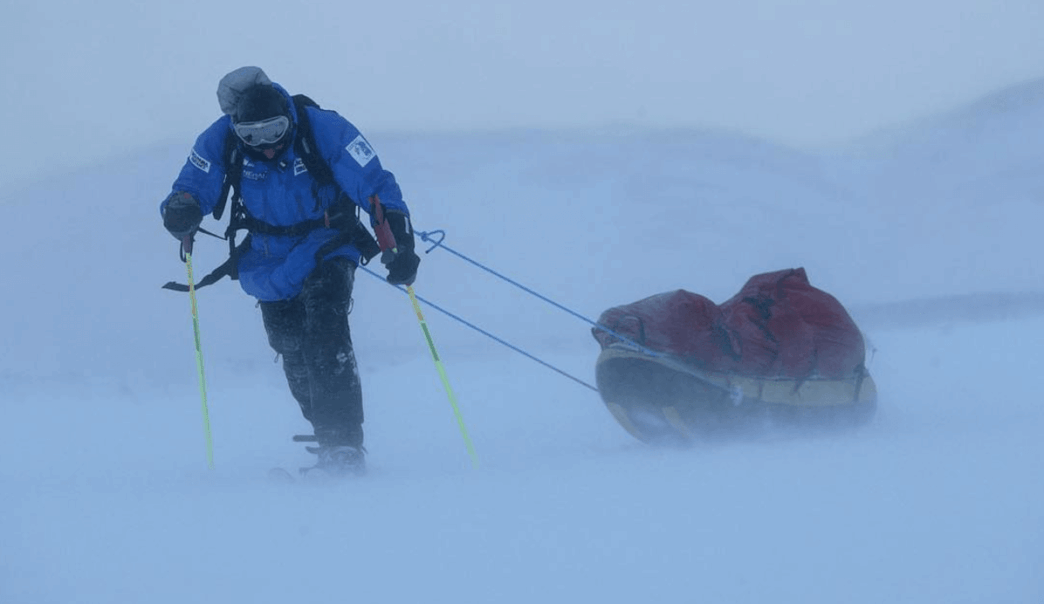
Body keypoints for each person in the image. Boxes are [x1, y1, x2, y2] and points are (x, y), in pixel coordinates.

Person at [160, 66, 420, 476]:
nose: (264, 146)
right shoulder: (221, 138)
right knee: (290, 345)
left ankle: (344, 445)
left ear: (289, 120)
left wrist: (399, 238)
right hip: (267, 257)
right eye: (252, 137)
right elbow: (193, 181)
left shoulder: (324, 129)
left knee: (325, 328)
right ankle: (325, 432)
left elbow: (373, 183)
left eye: (274, 131)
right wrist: (181, 209)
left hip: (328, 241)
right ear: (237, 129)